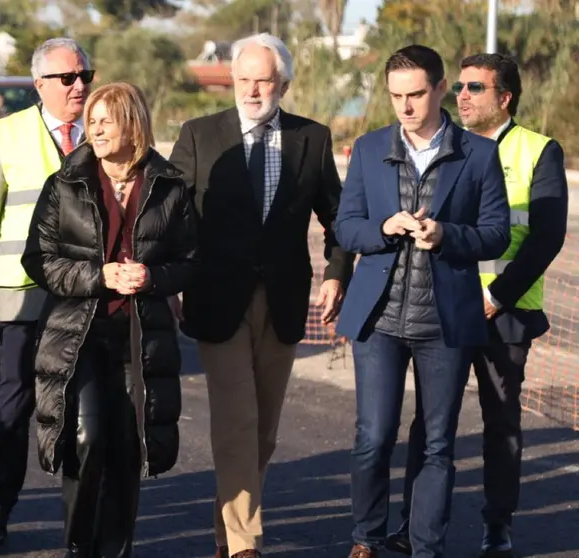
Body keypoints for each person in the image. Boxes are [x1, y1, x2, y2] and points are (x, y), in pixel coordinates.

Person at [169, 33, 353, 558]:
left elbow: (337, 216)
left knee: (264, 431)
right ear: (233, 80)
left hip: (285, 301)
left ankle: (228, 538)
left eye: (263, 80)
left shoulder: (311, 140)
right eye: (244, 79)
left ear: (283, 84)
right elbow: (172, 216)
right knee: (237, 420)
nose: (252, 89)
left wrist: (336, 273)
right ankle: (246, 543)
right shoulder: (200, 135)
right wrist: (171, 282)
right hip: (215, 299)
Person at [386, 53, 568, 558]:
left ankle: (498, 524)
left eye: (475, 88)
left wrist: (495, 294)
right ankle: (413, 525)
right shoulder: (445, 145)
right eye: (459, 86)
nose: (462, 95)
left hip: (501, 312)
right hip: (440, 305)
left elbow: (546, 238)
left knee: (501, 421)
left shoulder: (538, 151)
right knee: (429, 422)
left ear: (504, 97)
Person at [334, 45, 511, 558]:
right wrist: (384, 228)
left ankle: (424, 544)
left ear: (440, 90)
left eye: (415, 94)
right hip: (380, 318)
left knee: (437, 443)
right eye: (396, 96)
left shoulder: (478, 153)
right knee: (373, 437)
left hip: (446, 320)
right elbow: (346, 226)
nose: (406, 106)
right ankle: (366, 537)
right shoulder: (368, 149)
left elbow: (497, 234)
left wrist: (446, 235)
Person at [22, 81, 197, 557]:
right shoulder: (65, 183)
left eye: (106, 121)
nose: (95, 130)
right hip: (80, 334)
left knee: (128, 445)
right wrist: (98, 275)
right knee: (88, 438)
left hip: (140, 337)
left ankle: (118, 549)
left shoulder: (169, 186)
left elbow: (191, 259)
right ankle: (80, 546)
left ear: (133, 125)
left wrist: (154, 277)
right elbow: (38, 260)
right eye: (91, 121)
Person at [0, 36, 93, 546]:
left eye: (85, 74)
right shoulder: (8, 133)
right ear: (40, 84)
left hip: (86, 292)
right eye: (67, 78)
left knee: (80, 406)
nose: (79, 85)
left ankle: (79, 515)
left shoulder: (103, 129)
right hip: (22, 292)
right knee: (15, 403)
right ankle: (1, 500)